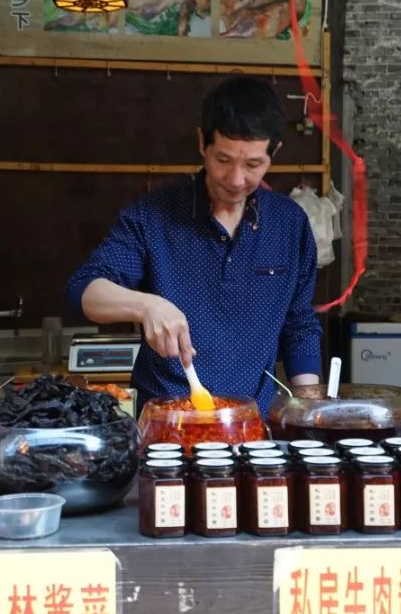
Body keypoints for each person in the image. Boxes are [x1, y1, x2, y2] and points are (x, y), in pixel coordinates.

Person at [66, 76, 323, 415]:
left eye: (252, 165)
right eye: (223, 160)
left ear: (273, 153)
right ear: (202, 143)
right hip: (165, 427)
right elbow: (83, 291)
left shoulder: (289, 224)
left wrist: (310, 412)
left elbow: (299, 325)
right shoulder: (152, 217)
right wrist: (146, 306)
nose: (235, 179)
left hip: (252, 425)